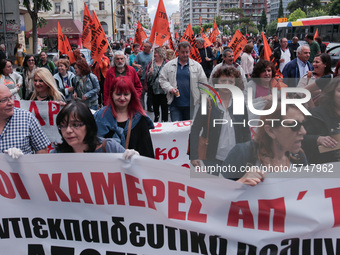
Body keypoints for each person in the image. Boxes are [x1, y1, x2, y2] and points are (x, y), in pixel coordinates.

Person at [223, 103, 307, 185]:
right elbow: (216, 194)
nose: (303, 131)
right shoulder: (243, 153)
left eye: (303, 124)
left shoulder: (299, 157)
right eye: (294, 125)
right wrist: (240, 183)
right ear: (270, 131)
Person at [190, 66, 251, 173]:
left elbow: (246, 131)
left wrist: (249, 157)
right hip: (212, 158)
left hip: (236, 159)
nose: (226, 84)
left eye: (230, 81)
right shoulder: (207, 103)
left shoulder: (240, 105)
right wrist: (193, 155)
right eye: (223, 80)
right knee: (215, 187)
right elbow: (195, 129)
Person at [51, 100, 139, 159]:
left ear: (88, 125)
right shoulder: (56, 155)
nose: (68, 130)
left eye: (75, 125)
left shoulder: (109, 148)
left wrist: (135, 160)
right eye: (63, 126)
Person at [94, 76, 155, 158]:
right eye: (118, 94)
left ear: (131, 95)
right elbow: (93, 149)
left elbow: (147, 152)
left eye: (126, 94)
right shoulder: (100, 117)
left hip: (132, 168)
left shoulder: (140, 118)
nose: (122, 98)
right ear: (112, 94)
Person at [159, 41, 207, 121]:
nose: (185, 55)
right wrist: (170, 88)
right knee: (177, 130)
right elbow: (162, 79)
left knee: (189, 130)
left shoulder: (197, 66)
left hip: (192, 105)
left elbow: (203, 83)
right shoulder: (169, 65)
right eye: (182, 52)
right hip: (175, 104)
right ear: (178, 52)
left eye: (187, 52)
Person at [0, 85, 50, 156]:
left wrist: (24, 161)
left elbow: (42, 150)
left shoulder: (26, 118)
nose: (11, 103)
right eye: (4, 100)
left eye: (11, 97)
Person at [302, 77, 340, 164]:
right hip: (324, 167)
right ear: (332, 93)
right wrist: (317, 139)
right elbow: (298, 139)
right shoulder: (315, 115)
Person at [145, 46, 168, 122]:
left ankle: (165, 123)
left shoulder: (167, 63)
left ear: (160, 53)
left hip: (164, 91)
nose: (154, 54)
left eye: (156, 53)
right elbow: (148, 79)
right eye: (154, 52)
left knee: (164, 108)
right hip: (154, 91)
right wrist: (150, 74)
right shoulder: (151, 63)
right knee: (156, 108)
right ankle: (156, 120)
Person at [132, 40, 153, 111]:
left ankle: (149, 107)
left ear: (150, 47)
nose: (144, 48)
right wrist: (137, 65)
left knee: (150, 94)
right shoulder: (139, 55)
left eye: (146, 47)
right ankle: (142, 108)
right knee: (142, 93)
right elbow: (133, 63)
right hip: (142, 77)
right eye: (144, 46)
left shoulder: (153, 55)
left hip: (150, 78)